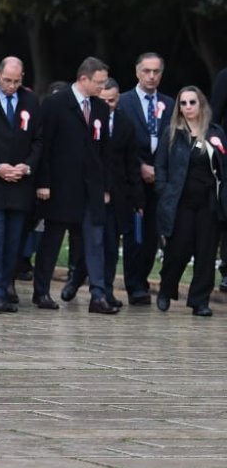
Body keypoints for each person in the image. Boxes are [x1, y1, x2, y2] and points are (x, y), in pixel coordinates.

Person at [34, 57, 117, 314]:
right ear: (84, 79)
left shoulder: (101, 109)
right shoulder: (55, 104)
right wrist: (43, 182)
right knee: (52, 241)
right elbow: (43, 146)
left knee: (94, 241)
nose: (102, 88)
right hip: (60, 187)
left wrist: (105, 186)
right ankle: (42, 291)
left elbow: (104, 151)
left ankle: (98, 295)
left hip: (90, 188)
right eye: (99, 83)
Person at [63, 78, 142, 306]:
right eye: (104, 100)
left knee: (109, 244)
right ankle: (75, 280)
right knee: (91, 242)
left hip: (117, 195)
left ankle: (105, 291)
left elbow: (131, 164)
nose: (109, 105)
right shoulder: (86, 120)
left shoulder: (125, 125)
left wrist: (137, 199)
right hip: (88, 191)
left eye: (113, 100)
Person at [154, 86, 225, 316]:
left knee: (206, 252)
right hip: (181, 201)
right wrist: (164, 190)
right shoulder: (172, 133)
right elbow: (161, 166)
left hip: (208, 202)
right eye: (183, 103)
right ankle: (166, 289)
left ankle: (199, 300)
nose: (188, 107)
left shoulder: (215, 133)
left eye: (192, 102)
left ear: (201, 104)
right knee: (178, 249)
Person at [116, 52, 174, 305]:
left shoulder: (171, 104)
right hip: (132, 177)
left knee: (153, 235)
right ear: (137, 72)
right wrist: (139, 166)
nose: (151, 76)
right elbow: (118, 141)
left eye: (156, 72)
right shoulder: (123, 102)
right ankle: (135, 285)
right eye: (147, 71)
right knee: (134, 235)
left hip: (160, 179)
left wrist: (159, 169)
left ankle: (144, 278)